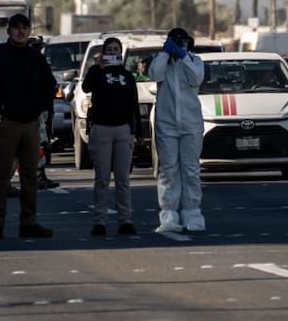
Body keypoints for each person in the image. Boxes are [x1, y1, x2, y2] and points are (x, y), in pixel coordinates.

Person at [0, 13, 57, 240]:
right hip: (7, 123)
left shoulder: (35, 57)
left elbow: (50, 85)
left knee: (30, 176)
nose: (21, 31)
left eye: (25, 27)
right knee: (2, 175)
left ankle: (28, 222)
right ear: (9, 31)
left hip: (30, 123)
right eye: (17, 27)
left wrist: (41, 106)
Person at [81, 36, 140, 236]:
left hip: (123, 129)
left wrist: (135, 131)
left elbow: (133, 103)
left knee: (123, 179)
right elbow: (86, 87)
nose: (113, 52)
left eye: (116, 49)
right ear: (104, 52)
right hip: (101, 129)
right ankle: (100, 221)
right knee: (102, 179)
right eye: (110, 49)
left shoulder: (127, 75)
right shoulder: (97, 72)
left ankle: (126, 220)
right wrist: (98, 66)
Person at [149, 27, 205, 232]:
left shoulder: (195, 61)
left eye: (183, 42)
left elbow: (196, 79)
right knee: (169, 170)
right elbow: (154, 74)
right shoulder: (160, 61)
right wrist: (166, 53)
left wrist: (183, 56)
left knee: (190, 170)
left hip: (191, 123)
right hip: (167, 123)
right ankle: (169, 217)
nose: (180, 46)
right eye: (176, 42)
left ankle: (193, 214)